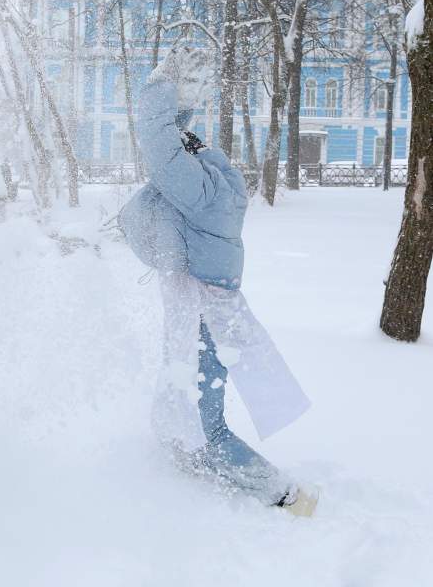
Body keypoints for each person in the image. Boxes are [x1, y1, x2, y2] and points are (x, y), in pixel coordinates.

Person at [118, 48, 317, 516]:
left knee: (209, 431)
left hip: (205, 319)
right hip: (210, 312)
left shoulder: (200, 193)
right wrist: (181, 102)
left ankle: (288, 497)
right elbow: (171, 144)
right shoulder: (216, 184)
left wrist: (161, 86)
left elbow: (157, 142)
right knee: (176, 406)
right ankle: (180, 458)